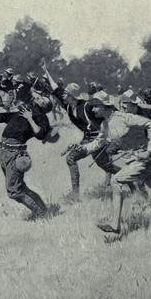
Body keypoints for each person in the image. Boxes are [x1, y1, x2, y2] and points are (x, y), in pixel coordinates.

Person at [83, 94, 151, 236]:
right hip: (135, 160)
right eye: (93, 107)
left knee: (116, 181)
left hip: (143, 158)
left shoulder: (123, 117)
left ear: (105, 106)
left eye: (96, 106)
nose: (94, 110)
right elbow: (98, 142)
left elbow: (150, 124)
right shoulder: (105, 124)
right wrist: (82, 149)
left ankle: (115, 225)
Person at [0, 84, 55, 220]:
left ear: (43, 104)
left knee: (14, 191)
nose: (35, 97)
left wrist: (29, 118)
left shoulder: (40, 117)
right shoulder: (25, 111)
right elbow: (1, 117)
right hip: (4, 151)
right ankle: (42, 208)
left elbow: (40, 135)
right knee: (19, 187)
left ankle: (41, 214)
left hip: (15, 154)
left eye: (39, 98)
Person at [42, 65, 118, 201]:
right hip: (87, 139)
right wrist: (46, 71)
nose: (63, 95)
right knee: (102, 164)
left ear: (72, 95)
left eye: (66, 93)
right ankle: (76, 195)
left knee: (98, 164)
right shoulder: (68, 106)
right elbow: (56, 89)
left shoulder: (87, 106)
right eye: (64, 93)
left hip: (98, 139)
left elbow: (107, 116)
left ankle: (130, 178)